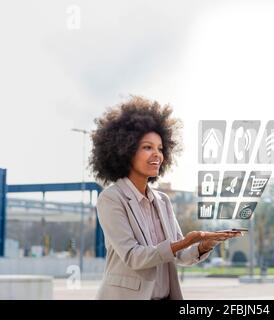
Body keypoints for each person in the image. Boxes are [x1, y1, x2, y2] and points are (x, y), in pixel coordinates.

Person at [90, 96, 241, 300]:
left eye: (160, 148)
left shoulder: (162, 201)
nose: (157, 155)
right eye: (147, 147)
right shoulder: (111, 198)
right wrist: (185, 241)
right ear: (125, 150)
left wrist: (206, 243)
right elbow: (134, 257)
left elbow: (180, 255)